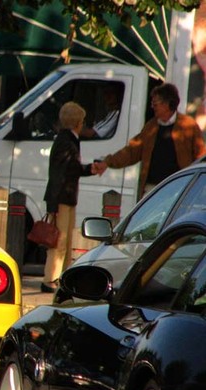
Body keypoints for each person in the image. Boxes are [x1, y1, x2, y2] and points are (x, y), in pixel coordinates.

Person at [94, 83, 206, 199]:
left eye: (155, 103)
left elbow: (200, 155)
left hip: (179, 189)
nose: (152, 107)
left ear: (167, 104)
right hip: (152, 189)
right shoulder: (150, 127)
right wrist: (108, 162)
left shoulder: (188, 126)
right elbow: (132, 151)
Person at [42, 102, 99, 293]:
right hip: (62, 198)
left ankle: (61, 278)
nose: (82, 124)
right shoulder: (67, 141)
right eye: (82, 121)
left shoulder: (67, 139)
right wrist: (53, 203)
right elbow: (62, 172)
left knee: (64, 241)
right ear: (77, 122)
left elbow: (67, 169)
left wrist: (89, 169)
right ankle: (51, 279)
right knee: (59, 241)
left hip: (65, 196)